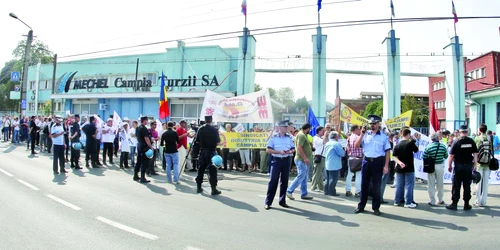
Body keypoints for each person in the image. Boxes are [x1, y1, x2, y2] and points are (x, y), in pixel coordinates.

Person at [354, 115, 391, 216]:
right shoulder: (365, 134)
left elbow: (387, 151)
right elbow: (356, 146)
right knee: (364, 185)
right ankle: (361, 206)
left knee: (376, 186)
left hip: (378, 162)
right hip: (366, 161)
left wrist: (386, 165)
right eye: (371, 124)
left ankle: (376, 207)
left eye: (374, 123)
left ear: (378, 124)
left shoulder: (383, 136)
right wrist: (361, 135)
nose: (372, 125)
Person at [264, 120, 295, 210]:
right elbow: (268, 150)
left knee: (284, 181)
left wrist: (290, 151)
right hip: (276, 160)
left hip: (286, 160)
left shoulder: (289, 137)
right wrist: (279, 152)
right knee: (273, 181)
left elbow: (293, 148)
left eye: (287, 127)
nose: (286, 128)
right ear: (280, 128)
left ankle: (282, 201)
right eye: (285, 127)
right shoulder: (273, 138)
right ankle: (268, 202)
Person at [446, 125, 478, 211]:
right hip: (468, 167)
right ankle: (466, 204)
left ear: (460, 132)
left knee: (456, 185)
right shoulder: (471, 141)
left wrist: (449, 166)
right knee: (467, 185)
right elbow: (475, 154)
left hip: (458, 167)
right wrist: (475, 165)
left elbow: (451, 155)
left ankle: (454, 204)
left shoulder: (456, 141)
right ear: (467, 132)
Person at [286, 123, 314, 201]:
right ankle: (289, 190)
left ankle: (304, 193)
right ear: (307, 128)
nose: (310, 130)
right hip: (301, 159)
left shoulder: (303, 134)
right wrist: (305, 158)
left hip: (304, 160)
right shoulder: (301, 135)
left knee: (305, 177)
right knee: (301, 176)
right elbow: (299, 147)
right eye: (310, 129)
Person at [392, 128, 419, 208]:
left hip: (399, 167)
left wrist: (399, 162)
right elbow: (416, 150)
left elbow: (394, 156)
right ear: (408, 134)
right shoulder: (410, 143)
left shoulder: (398, 144)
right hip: (409, 167)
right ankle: (408, 202)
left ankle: (397, 201)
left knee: (399, 185)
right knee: (409, 185)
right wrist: (414, 141)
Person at [195, 116, 221, 195]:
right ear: (211, 120)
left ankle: (199, 187)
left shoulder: (200, 129)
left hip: (203, 151)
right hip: (212, 152)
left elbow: (197, 141)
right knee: (213, 171)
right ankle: (213, 189)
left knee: (201, 169)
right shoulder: (214, 129)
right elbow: (218, 142)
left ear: (205, 120)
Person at [423, 133, 448, 206]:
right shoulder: (443, 146)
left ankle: (432, 200)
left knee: (431, 184)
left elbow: (424, 156)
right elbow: (446, 156)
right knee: (440, 184)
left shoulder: (428, 146)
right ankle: (440, 200)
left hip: (431, 166)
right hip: (440, 165)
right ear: (437, 138)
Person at [474, 124, 493, 207]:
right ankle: (484, 201)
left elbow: (475, 151)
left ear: (479, 130)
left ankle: (478, 201)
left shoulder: (477, 138)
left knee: (478, 182)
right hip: (487, 163)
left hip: (479, 163)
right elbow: (491, 150)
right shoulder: (489, 138)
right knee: (485, 183)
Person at [323, 131, 346, 196]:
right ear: (336, 137)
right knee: (333, 179)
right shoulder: (336, 144)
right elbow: (342, 154)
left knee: (327, 178)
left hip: (327, 162)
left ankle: (326, 191)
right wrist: (344, 151)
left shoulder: (327, 143)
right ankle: (332, 192)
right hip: (334, 164)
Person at [134, 116, 154, 183]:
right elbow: (146, 138)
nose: (147, 121)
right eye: (147, 120)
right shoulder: (144, 128)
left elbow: (137, 136)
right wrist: (150, 146)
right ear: (144, 120)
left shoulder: (138, 127)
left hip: (139, 145)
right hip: (145, 147)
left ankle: (135, 175)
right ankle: (142, 177)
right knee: (144, 162)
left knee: (138, 161)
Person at [346, 125, 363, 197]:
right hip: (358, 158)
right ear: (356, 129)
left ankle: (348, 190)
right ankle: (358, 191)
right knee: (358, 176)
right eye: (359, 129)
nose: (360, 131)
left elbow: (347, 148)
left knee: (349, 175)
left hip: (351, 157)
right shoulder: (358, 137)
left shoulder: (349, 138)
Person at [311, 126, 326, 192]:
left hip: (321, 156)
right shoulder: (316, 138)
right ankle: (313, 187)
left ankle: (321, 187)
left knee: (320, 173)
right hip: (318, 156)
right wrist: (326, 135)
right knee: (317, 173)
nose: (324, 132)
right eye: (323, 131)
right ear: (319, 131)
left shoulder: (319, 138)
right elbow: (323, 142)